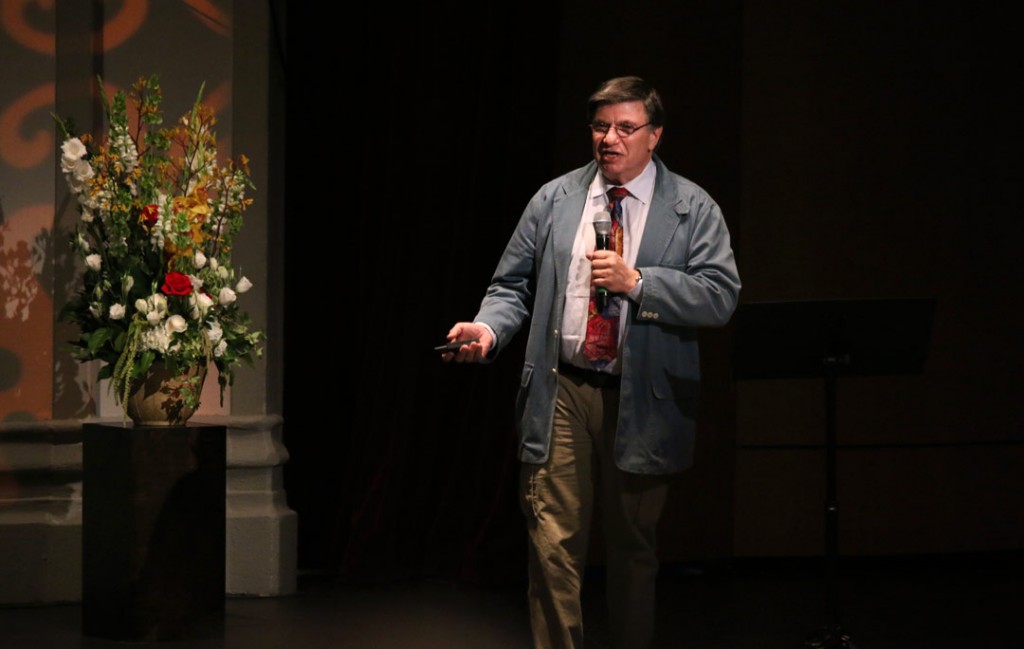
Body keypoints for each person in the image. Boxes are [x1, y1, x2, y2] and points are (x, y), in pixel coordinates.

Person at [442, 76, 741, 649]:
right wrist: (486, 328)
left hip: (642, 396)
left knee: (633, 549)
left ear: (654, 136)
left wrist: (641, 283)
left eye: (625, 128)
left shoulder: (692, 207)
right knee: (552, 547)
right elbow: (511, 286)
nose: (610, 138)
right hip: (563, 391)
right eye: (601, 126)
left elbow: (720, 295)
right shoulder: (554, 200)